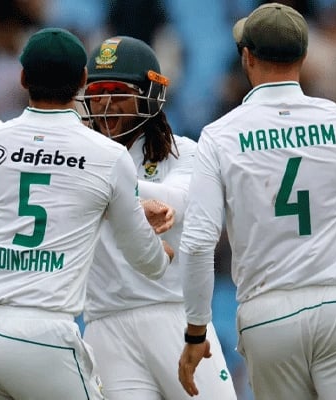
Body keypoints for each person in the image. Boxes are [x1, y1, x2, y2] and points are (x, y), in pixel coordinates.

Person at [0, 27, 173, 400]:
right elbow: (143, 258)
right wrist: (160, 258)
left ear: (23, 78)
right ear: (81, 80)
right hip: (44, 335)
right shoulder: (107, 155)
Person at [176, 3, 336, 399]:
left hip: (267, 315)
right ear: (303, 56)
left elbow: (196, 244)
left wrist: (196, 330)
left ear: (247, 57)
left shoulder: (220, 135)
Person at [77, 35, 237, 399]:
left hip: (172, 313)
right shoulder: (78, 160)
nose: (104, 103)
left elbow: (178, 203)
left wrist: (102, 184)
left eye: (117, 91)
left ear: (149, 94)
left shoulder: (184, 153)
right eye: (97, 91)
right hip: (105, 325)